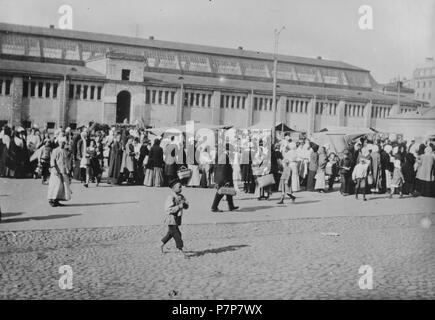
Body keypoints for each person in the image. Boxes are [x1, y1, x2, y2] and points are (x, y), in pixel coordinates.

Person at [161, 178, 189, 257]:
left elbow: (186, 205)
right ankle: (180, 249)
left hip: (176, 219)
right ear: (173, 188)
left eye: (181, 186)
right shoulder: (171, 197)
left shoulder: (181, 196)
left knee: (171, 234)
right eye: (179, 187)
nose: (181, 188)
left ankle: (161, 243)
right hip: (171, 219)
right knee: (177, 234)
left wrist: (185, 205)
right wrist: (179, 206)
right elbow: (168, 210)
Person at [211, 146, 239, 212]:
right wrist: (226, 181)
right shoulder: (224, 156)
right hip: (224, 178)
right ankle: (214, 207)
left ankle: (231, 206)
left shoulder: (220, 155)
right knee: (220, 193)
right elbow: (223, 169)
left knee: (229, 192)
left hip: (222, 177)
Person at [47, 137, 72, 207]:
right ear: (58, 142)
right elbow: (52, 160)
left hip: (63, 170)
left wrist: (68, 169)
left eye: (64, 142)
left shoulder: (65, 151)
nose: (63, 144)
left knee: (61, 187)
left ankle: (56, 200)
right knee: (55, 185)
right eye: (61, 142)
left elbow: (66, 161)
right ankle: (51, 199)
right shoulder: (55, 150)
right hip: (56, 171)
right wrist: (53, 168)